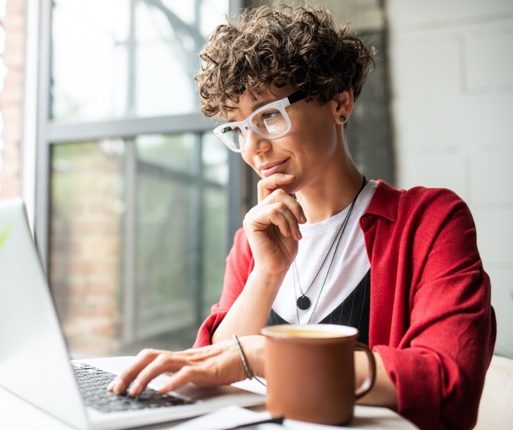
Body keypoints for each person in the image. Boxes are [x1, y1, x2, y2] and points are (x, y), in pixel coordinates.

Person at [109, 4, 496, 428]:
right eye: (238, 129)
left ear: (339, 102)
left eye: (269, 116)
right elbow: (214, 365)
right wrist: (267, 274)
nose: (253, 148)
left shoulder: (429, 222)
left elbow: (447, 384)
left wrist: (267, 356)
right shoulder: (253, 241)